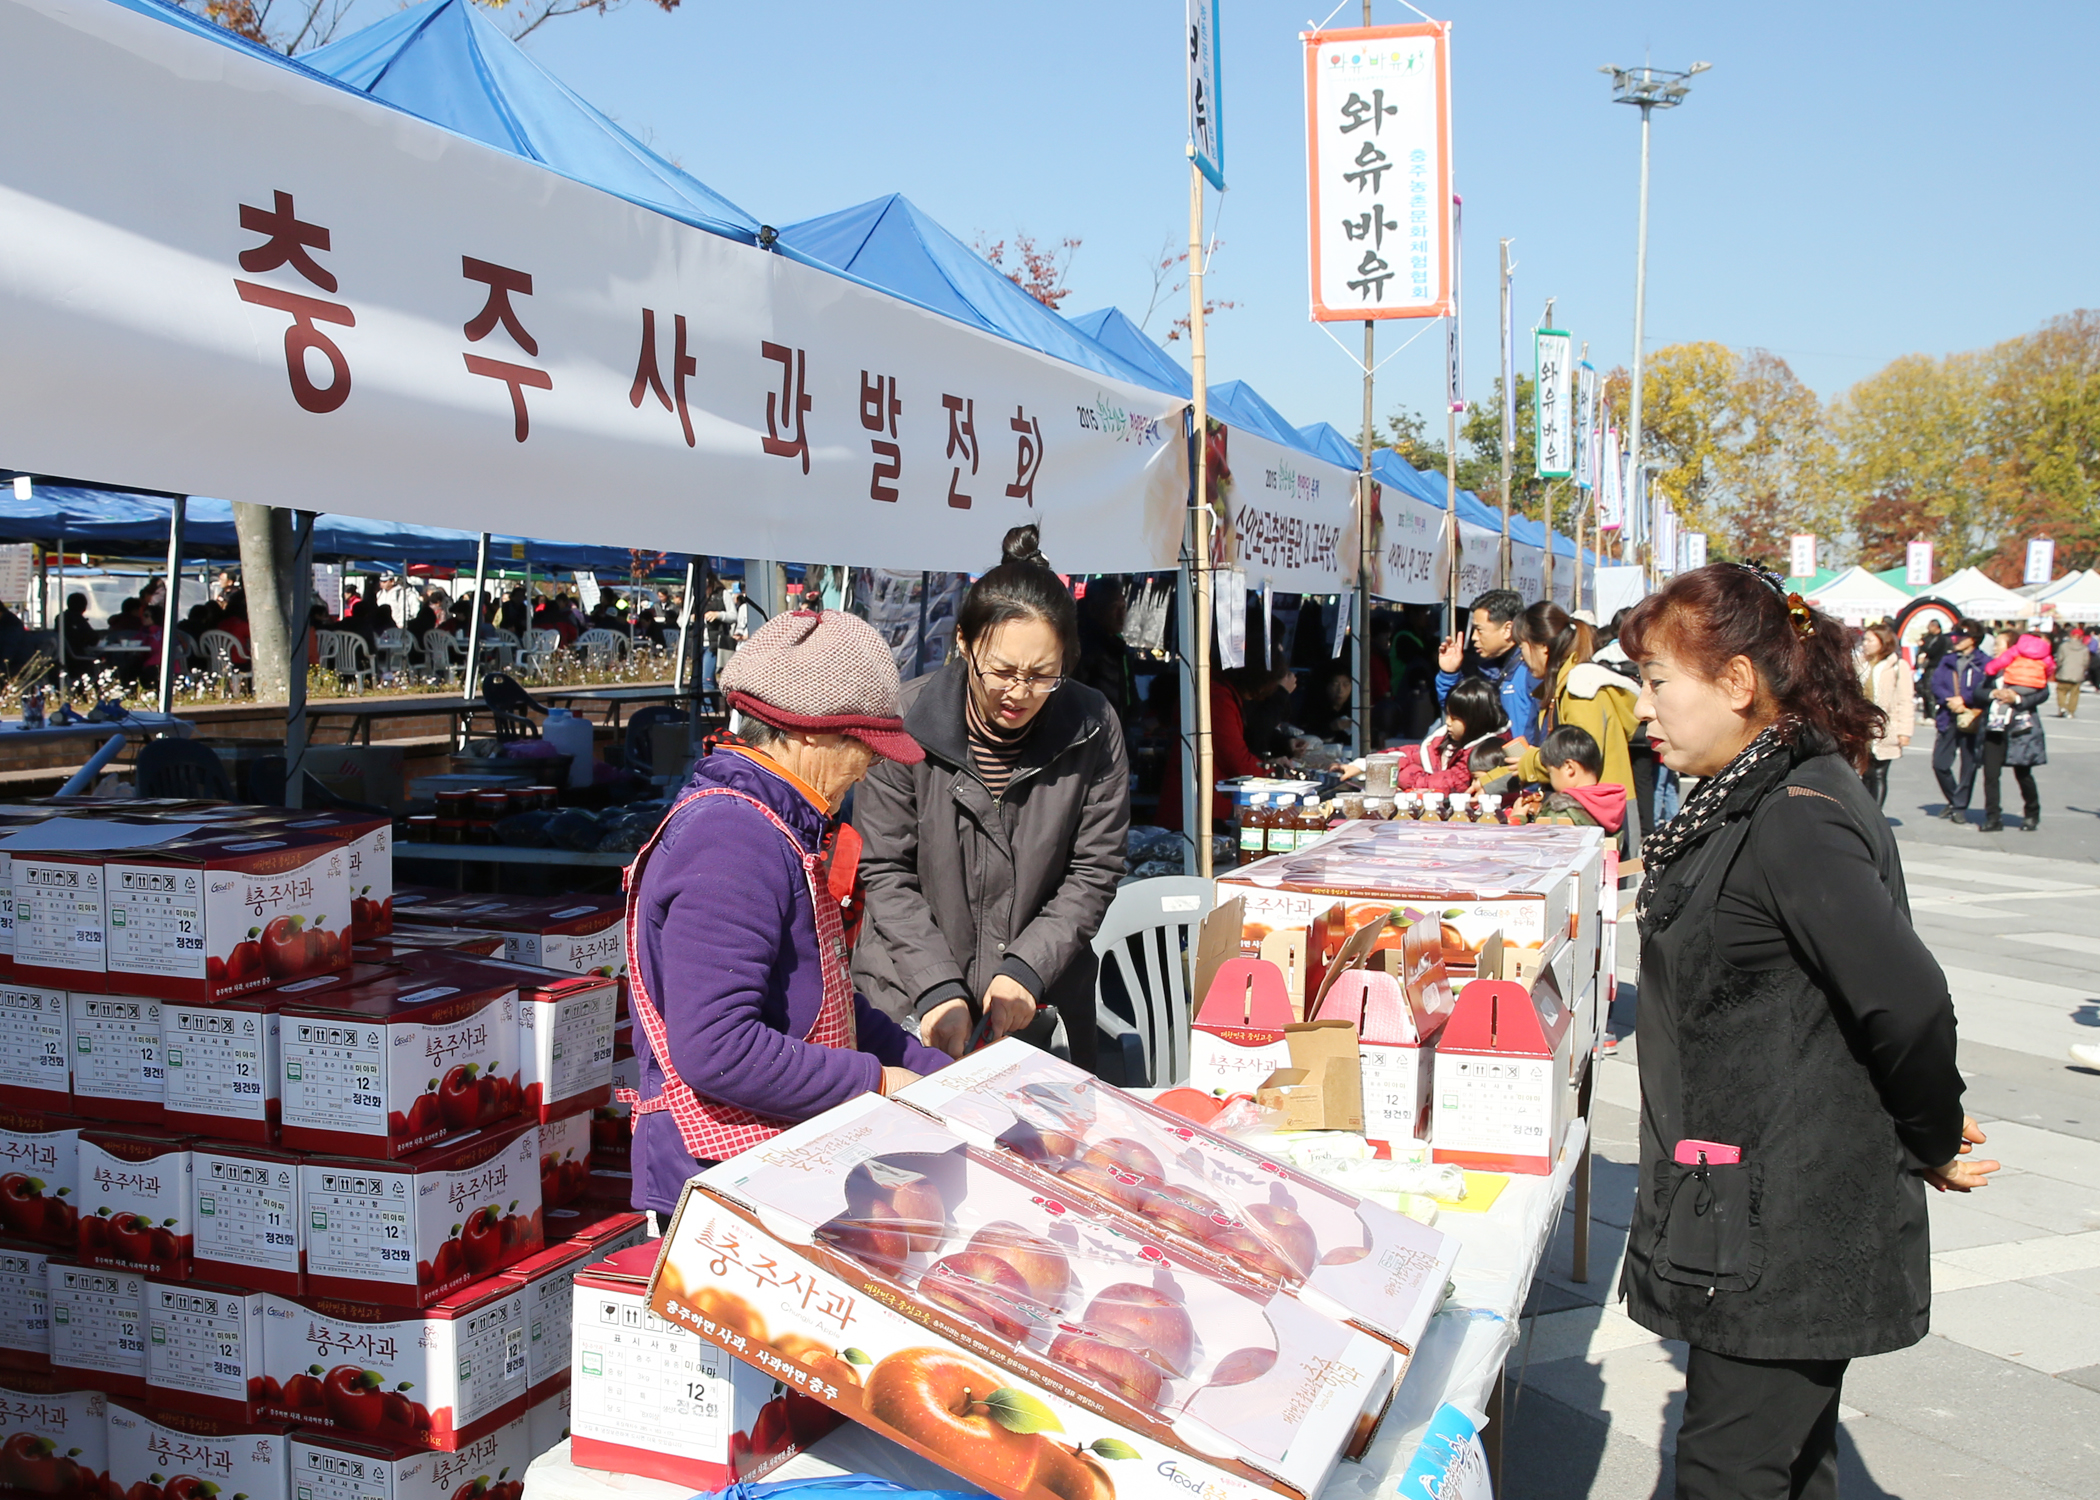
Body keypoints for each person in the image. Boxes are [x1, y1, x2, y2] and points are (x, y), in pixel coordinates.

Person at [1617, 561, 1996, 1500]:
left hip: (1784, 1218)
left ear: (1738, 683)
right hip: (1754, 1203)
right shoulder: (1760, 791)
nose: (1644, 713)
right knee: (1787, 1464)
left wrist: (1932, 1134)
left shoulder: (1792, 817)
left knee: (1730, 1469)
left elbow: (1905, 1000)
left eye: (1659, 683)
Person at [624, 607, 951, 1217]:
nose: (872, 766)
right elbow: (718, 1047)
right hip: (719, 1184)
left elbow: (818, 1007)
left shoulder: (783, 826)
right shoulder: (732, 837)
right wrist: (876, 1083)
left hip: (772, 1166)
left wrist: (942, 1074)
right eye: (865, 746)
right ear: (806, 731)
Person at [853, 528, 1129, 1072]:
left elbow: (1094, 870)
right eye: (1000, 670)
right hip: (908, 997)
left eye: (1042, 676)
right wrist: (936, 986)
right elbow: (884, 870)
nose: (1018, 692)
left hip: (1040, 1001)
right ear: (963, 642)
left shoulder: (1093, 725)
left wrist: (1028, 967)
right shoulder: (903, 726)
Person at [1507, 601, 1639, 809]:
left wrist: (1530, 762)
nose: (1522, 658)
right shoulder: (1560, 686)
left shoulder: (1580, 689)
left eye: (1522, 647)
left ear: (1542, 647)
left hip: (1603, 812)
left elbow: (1579, 758)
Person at [1435, 587, 1540, 742]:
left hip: (1521, 764)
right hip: (1491, 762)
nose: (1474, 637)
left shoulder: (1532, 672)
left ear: (1507, 629)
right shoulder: (1486, 670)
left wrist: (1527, 760)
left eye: (1479, 630)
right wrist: (1449, 674)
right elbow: (1462, 713)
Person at [1980, 624, 2050, 833]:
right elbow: (1978, 691)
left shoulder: (2029, 666)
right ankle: (1993, 817)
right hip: (1995, 727)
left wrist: (2016, 697)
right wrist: (1993, 694)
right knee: (1991, 775)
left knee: (2023, 774)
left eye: (1999, 644)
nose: (1994, 648)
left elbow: (2042, 693)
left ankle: (2032, 812)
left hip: (2021, 727)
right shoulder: (1994, 669)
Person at [1397, 676, 1509, 793]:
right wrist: (1387, 758)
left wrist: (1396, 768)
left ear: (1477, 720)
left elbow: (1442, 784)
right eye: (1447, 714)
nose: (1447, 722)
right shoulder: (1449, 741)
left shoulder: (1486, 754)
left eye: (1454, 718)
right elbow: (1419, 753)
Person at [1927, 619, 1989, 822]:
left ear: (1973, 639)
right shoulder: (1947, 660)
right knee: (1940, 763)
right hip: (1948, 715)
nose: (1956, 640)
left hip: (1972, 718)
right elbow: (1936, 683)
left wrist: (1966, 700)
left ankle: (1960, 806)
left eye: (1961, 636)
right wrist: (1949, 700)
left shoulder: (1984, 663)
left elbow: (1985, 689)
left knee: (1968, 764)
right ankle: (1954, 798)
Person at [1858, 622, 1914, 808]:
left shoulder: (1897, 666)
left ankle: (1877, 813)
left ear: (1883, 642)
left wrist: (1905, 731)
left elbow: (1905, 700)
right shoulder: (1860, 663)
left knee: (1879, 773)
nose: (1865, 643)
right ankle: (1865, 812)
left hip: (1886, 727)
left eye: (1869, 640)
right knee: (1863, 772)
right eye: (1864, 639)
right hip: (1862, 727)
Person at [1534, 725, 1627, 834]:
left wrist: (1519, 818)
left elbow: (1540, 845)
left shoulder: (1560, 811)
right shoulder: (1610, 802)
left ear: (1569, 768)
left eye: (1550, 772)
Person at [2055, 625, 2089, 717]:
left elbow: (2060, 660)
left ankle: (2062, 706)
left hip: (2065, 672)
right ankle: (2071, 711)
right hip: (2078, 674)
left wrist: (2058, 669)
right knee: (2074, 694)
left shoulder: (2064, 646)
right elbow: (2086, 662)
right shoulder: (2084, 648)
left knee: (2061, 691)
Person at [60, 592, 100, 663]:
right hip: (78, 656)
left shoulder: (60, 618)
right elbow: (93, 639)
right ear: (84, 606)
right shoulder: (77, 619)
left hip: (63, 655)